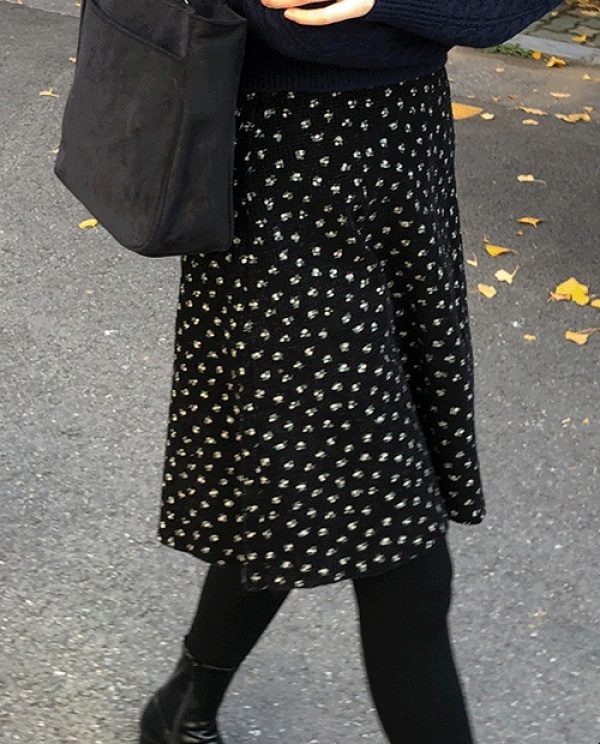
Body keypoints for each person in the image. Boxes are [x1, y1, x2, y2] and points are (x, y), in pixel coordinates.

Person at [139, 0, 561, 742]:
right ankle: (184, 708)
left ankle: (184, 708)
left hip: (403, 154)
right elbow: (296, 22)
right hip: (283, 170)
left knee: (289, 474)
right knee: (405, 558)